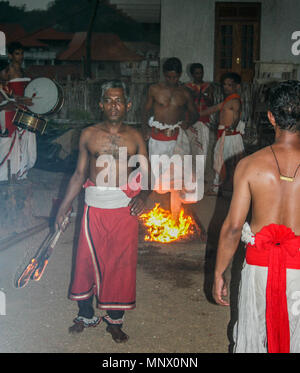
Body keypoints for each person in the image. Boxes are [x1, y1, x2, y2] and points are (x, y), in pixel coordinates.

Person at [55, 80, 151, 343]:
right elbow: (78, 175)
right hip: (94, 207)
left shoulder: (135, 136)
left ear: (128, 105)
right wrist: (62, 209)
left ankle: (114, 320)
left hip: (123, 209)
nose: (114, 105)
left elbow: (147, 174)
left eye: (119, 100)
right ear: (100, 104)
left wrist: (143, 195)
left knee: (120, 265)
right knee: (85, 262)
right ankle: (85, 314)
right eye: (108, 100)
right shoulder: (88, 134)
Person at [212, 80, 300, 353]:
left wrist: (219, 272)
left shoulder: (249, 165)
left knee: (256, 332)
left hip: (260, 266)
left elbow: (233, 227)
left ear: (271, 117)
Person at [142, 57, 201, 220]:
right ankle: (151, 216)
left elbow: (195, 113)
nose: (171, 80)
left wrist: (188, 123)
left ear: (180, 75)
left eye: (175, 77)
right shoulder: (154, 89)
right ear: (164, 74)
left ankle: (175, 218)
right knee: (155, 179)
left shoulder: (185, 93)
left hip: (177, 141)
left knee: (176, 181)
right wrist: (145, 129)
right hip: (157, 139)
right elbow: (145, 111)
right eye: (168, 77)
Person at [201, 72, 245, 196]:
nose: (226, 87)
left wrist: (232, 128)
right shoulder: (228, 100)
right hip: (226, 135)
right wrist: (197, 115)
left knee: (223, 161)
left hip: (229, 136)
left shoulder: (234, 101)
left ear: (237, 86)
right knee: (220, 160)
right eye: (224, 85)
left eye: (229, 85)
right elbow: (213, 109)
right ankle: (222, 186)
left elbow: (236, 116)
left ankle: (218, 188)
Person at [0, 41, 35, 182]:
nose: (20, 57)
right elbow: (5, 95)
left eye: (22, 53)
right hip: (9, 113)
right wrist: (17, 101)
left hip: (23, 111)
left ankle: (20, 173)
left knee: (25, 143)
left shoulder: (23, 72)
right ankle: (4, 176)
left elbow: (21, 94)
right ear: (10, 55)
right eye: (17, 53)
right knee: (8, 142)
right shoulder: (5, 74)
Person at [185, 63, 214, 169]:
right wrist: (194, 95)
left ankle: (200, 174)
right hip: (191, 121)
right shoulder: (187, 87)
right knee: (191, 147)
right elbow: (185, 103)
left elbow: (211, 103)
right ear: (192, 74)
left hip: (204, 120)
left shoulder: (208, 87)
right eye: (197, 73)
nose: (199, 75)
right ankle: (191, 174)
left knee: (203, 147)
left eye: (201, 73)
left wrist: (204, 95)